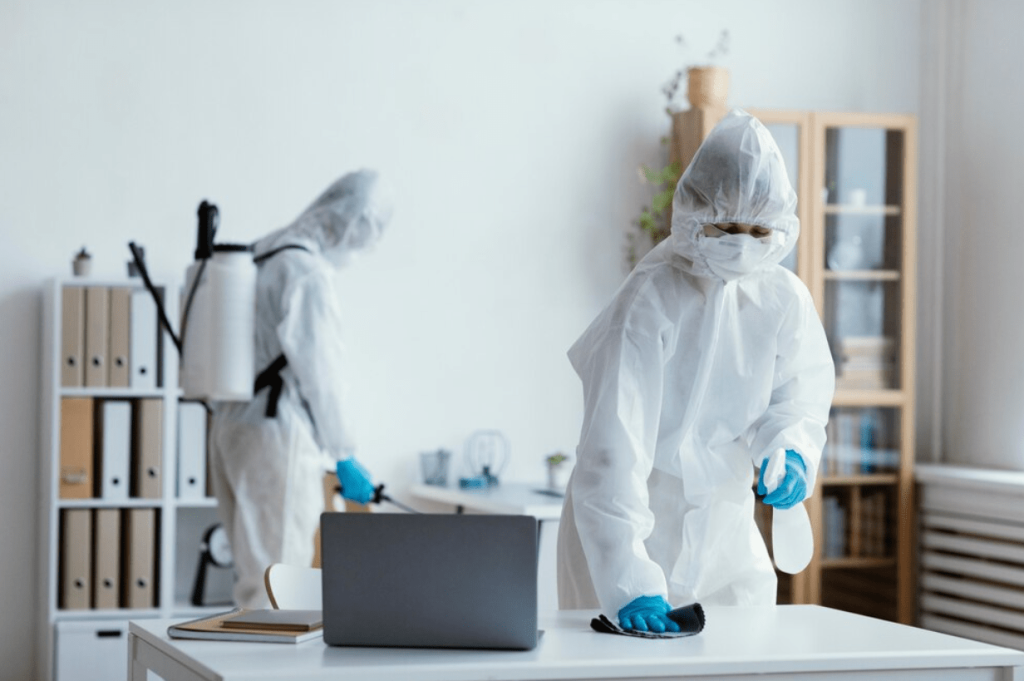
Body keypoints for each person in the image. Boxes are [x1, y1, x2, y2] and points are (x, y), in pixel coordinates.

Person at [556, 110, 835, 633]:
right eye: (727, 227)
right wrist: (629, 580)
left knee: (747, 656)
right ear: (694, 212)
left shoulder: (782, 297)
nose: (741, 244)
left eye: (757, 230)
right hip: (631, 527)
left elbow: (799, 394)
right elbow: (612, 451)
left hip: (725, 526)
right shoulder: (649, 298)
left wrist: (791, 450)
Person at [208, 169, 395, 608]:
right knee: (278, 589)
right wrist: (344, 454)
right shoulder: (306, 272)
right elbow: (322, 376)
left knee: (252, 583)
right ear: (359, 221)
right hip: (277, 437)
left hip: (229, 428)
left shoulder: (260, 252)